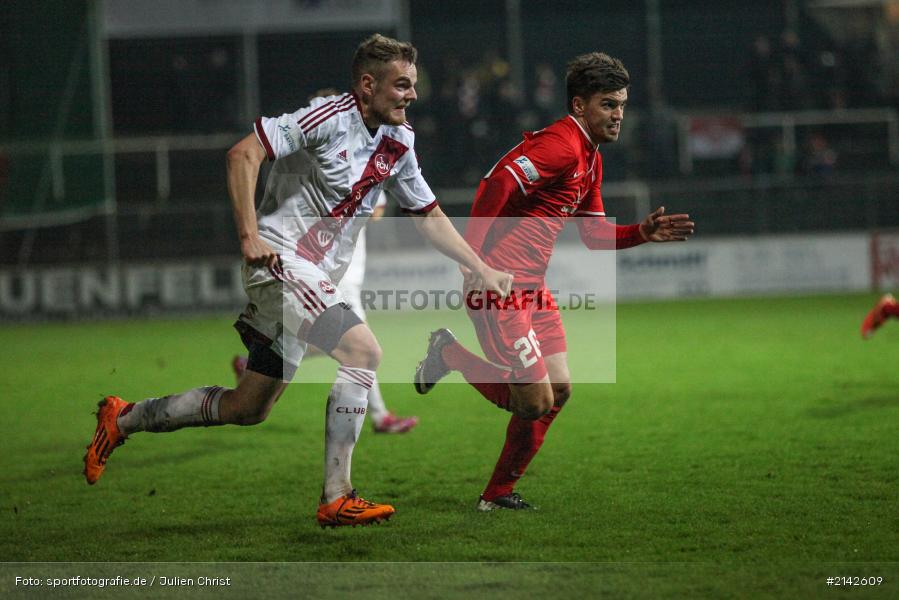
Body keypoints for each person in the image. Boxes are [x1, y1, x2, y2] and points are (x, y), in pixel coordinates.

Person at [83, 34, 512, 529]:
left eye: (413, 85)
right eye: (401, 85)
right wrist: (249, 236)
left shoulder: (399, 142)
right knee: (363, 352)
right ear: (368, 85)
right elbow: (242, 155)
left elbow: (429, 214)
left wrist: (478, 266)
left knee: (248, 406)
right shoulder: (328, 117)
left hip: (308, 277)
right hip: (281, 262)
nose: (412, 95)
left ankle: (123, 417)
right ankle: (338, 495)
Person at [414, 52, 694, 511]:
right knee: (533, 402)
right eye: (608, 104)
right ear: (580, 105)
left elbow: (594, 235)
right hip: (500, 288)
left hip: (533, 289)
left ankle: (497, 494)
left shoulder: (591, 158)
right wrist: (474, 260)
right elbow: (496, 185)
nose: (618, 114)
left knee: (558, 390)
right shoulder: (561, 145)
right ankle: (447, 353)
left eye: (622, 104)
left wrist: (640, 234)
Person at [232, 196, 419, 434]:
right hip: (341, 280)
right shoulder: (350, 175)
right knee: (363, 349)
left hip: (341, 275)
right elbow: (376, 213)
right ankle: (380, 416)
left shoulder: (357, 172)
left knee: (344, 346)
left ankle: (250, 363)